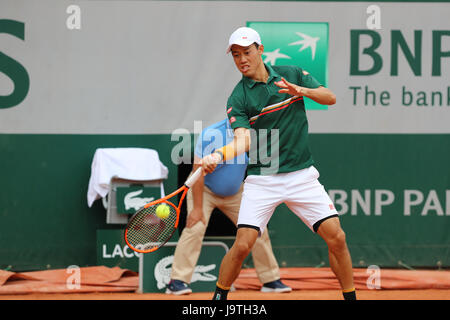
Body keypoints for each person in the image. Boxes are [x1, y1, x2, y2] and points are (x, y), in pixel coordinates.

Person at [201, 27, 356, 300]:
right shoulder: (238, 97)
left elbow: (329, 97)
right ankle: (218, 301)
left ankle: (350, 297)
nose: (241, 59)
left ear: (260, 50)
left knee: (338, 238)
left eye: (246, 52)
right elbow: (243, 140)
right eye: (236, 55)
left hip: (301, 176)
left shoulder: (292, 74)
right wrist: (220, 154)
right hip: (263, 179)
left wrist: (300, 90)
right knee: (242, 246)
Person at [166, 118, 291, 295]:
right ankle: (177, 281)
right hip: (205, 190)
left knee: (257, 229)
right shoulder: (210, 134)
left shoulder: (257, 134)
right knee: (195, 226)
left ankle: (270, 280)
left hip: (236, 192)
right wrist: (197, 209)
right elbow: (197, 172)